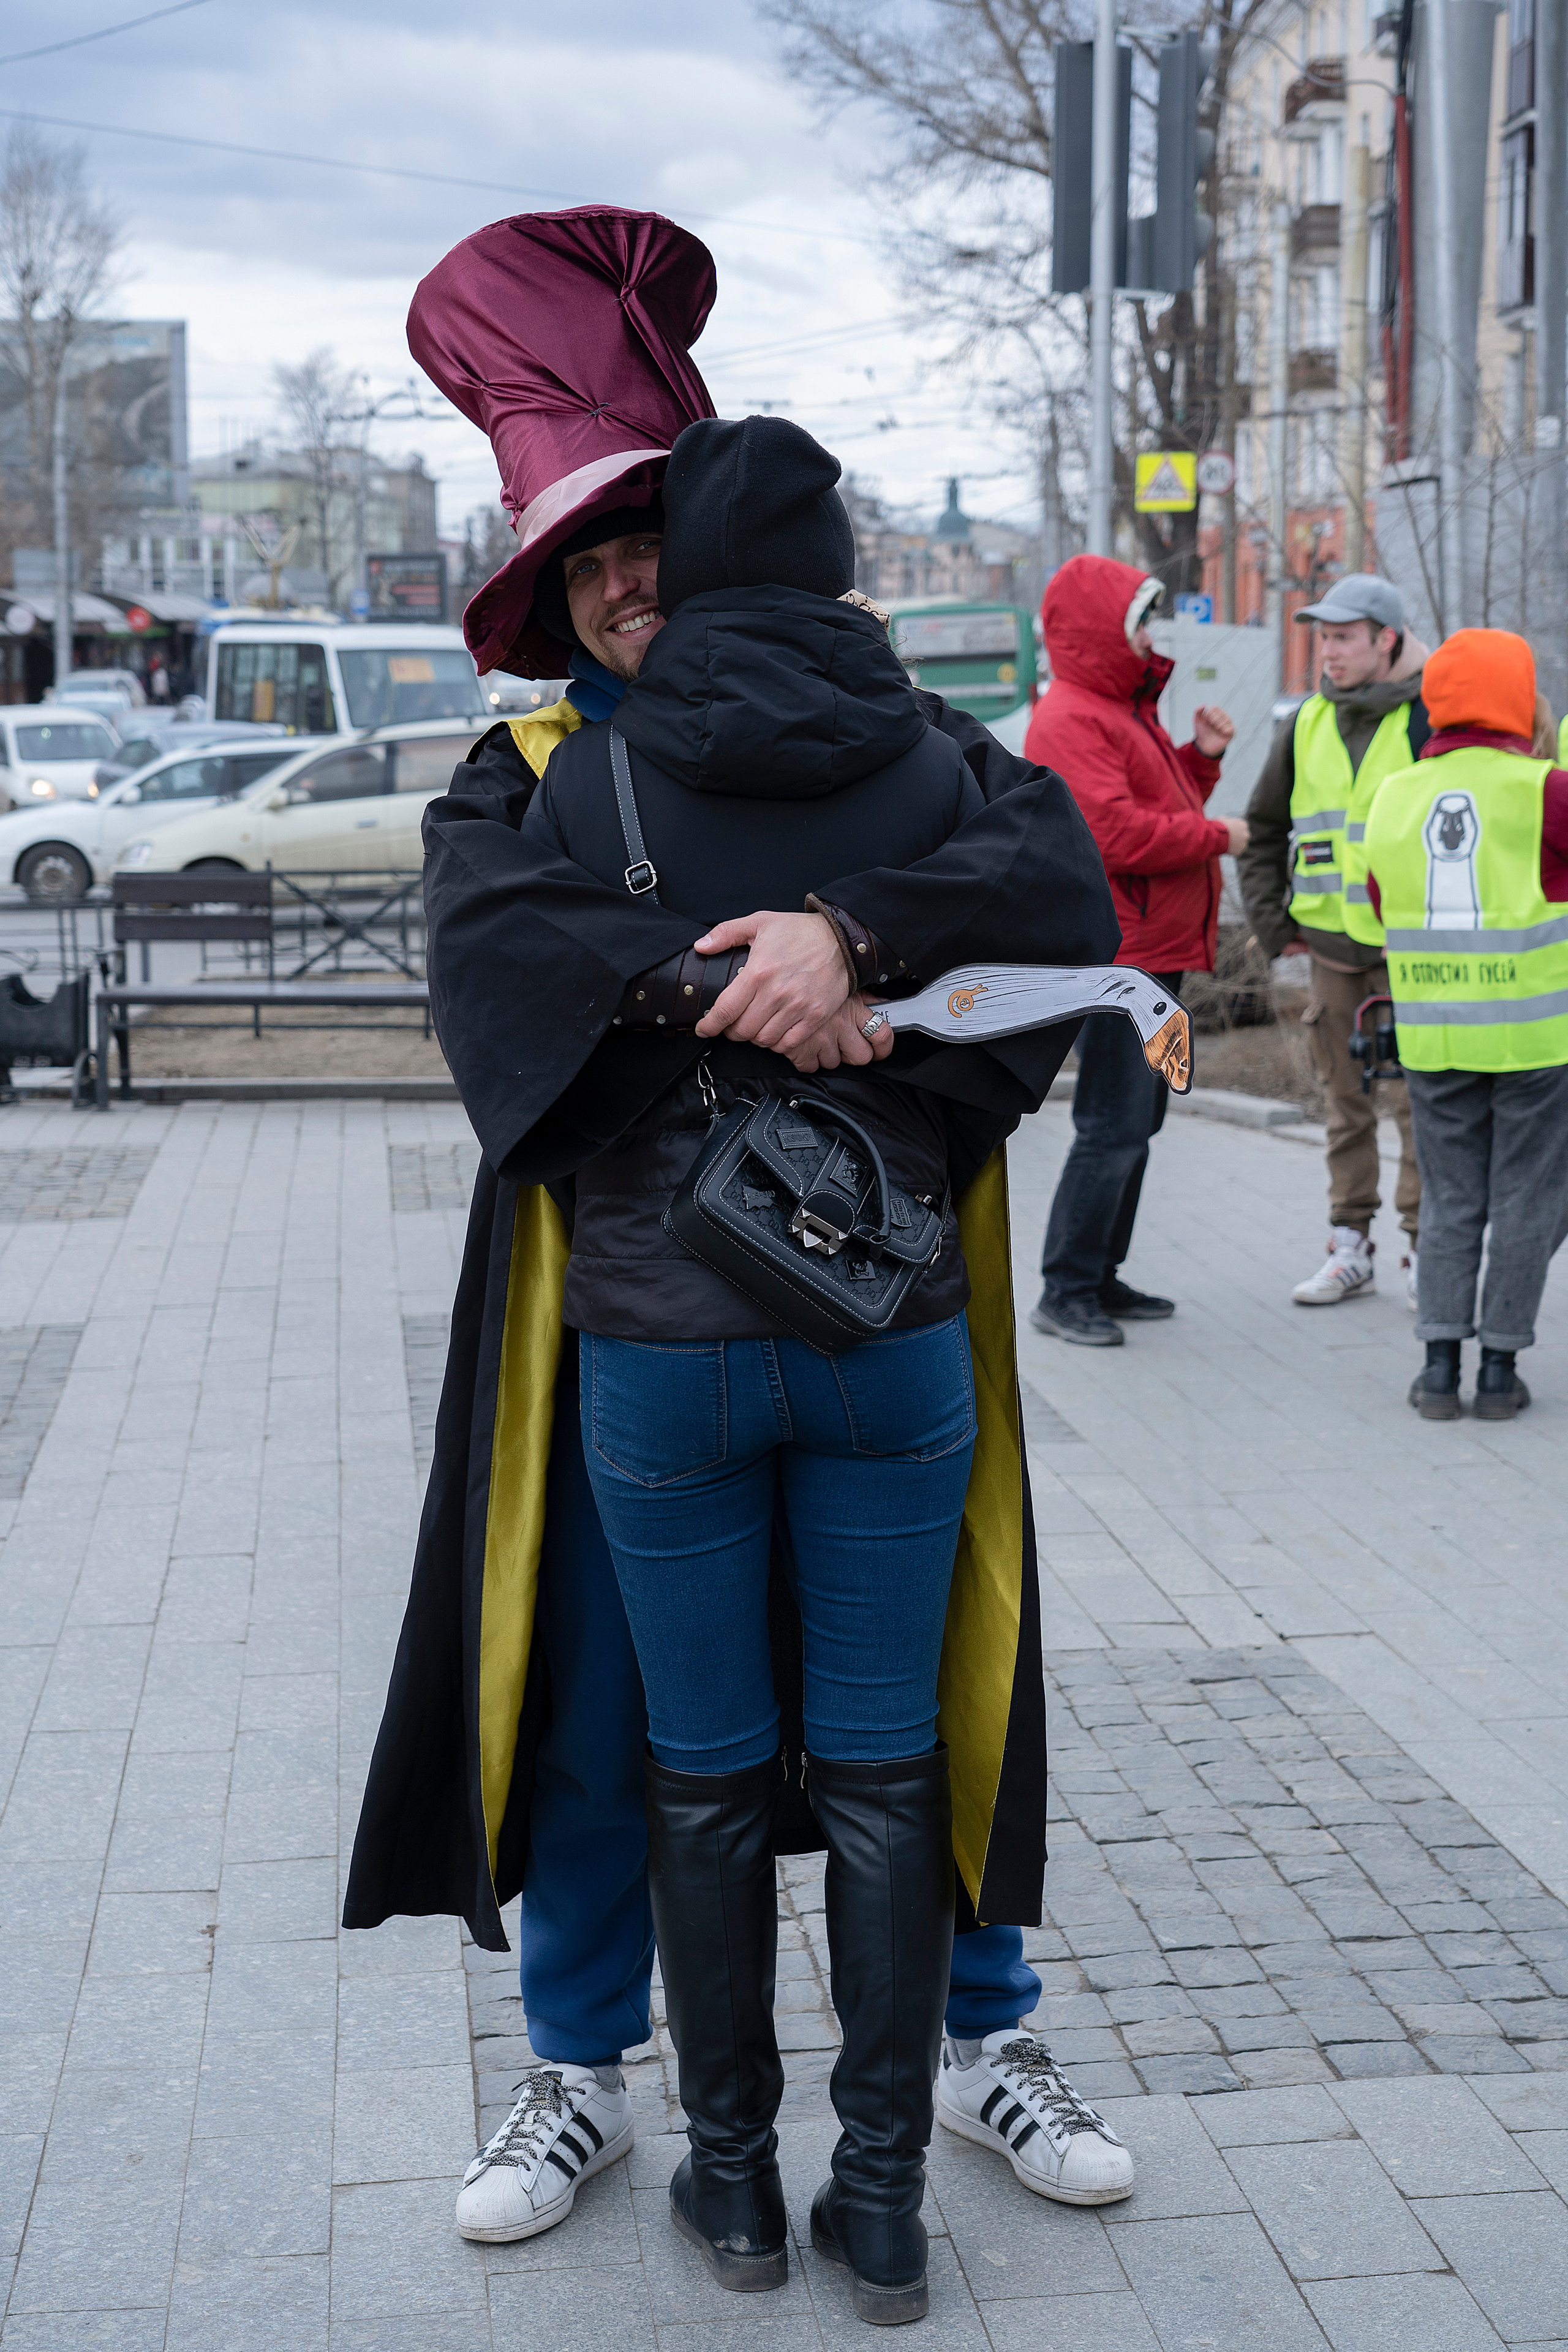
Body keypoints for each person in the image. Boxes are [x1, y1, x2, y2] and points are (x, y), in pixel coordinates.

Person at [344, 207, 1135, 2273]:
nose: (622, 588)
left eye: (647, 548)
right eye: (586, 566)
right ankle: (585, 2066)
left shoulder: (891, 743)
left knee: (941, 1675)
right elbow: (493, 968)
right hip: (612, 1304)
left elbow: (1037, 867)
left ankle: (988, 2036)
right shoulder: (527, 773)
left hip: (873, 1288)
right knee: (600, 1698)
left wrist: (849, 934)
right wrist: (742, 980)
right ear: (548, 602)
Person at [1024, 554, 1240, 1346]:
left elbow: (1151, 805)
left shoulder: (1120, 709)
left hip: (1151, 950)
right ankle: (1065, 1290)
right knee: (1113, 1123)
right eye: (1139, 619)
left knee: (1138, 1120)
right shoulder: (1075, 716)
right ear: (1102, 629)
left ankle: (1099, 1276)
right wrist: (1222, 835)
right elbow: (1114, 834)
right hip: (1121, 960)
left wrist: (1200, 761)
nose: (1150, 635)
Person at [1362, 627, 1568, 1420]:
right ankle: (1499, 1372)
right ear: (1521, 699)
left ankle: (1438, 1369)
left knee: (1450, 1198)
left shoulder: (1394, 795)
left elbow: (1383, 907)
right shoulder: (1546, 790)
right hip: (1536, 1038)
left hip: (1435, 1032)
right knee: (1524, 1198)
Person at [1238, 574, 1428, 1309]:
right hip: (1329, 954)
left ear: (1386, 639)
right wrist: (1273, 926)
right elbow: (1262, 832)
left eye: (1345, 637)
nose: (1330, 652)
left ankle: (1422, 1252)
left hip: (1412, 956)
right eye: (1324, 637)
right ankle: (1350, 1248)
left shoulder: (1428, 716)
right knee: (1344, 1106)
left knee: (1416, 1105)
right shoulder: (1308, 722)